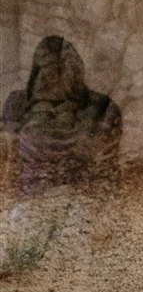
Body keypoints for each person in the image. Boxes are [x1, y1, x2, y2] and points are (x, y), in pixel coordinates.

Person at [2, 36, 122, 196]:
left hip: (80, 199)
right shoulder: (17, 104)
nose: (52, 77)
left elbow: (106, 174)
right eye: (46, 69)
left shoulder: (102, 108)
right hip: (31, 197)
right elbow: (9, 166)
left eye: (60, 69)